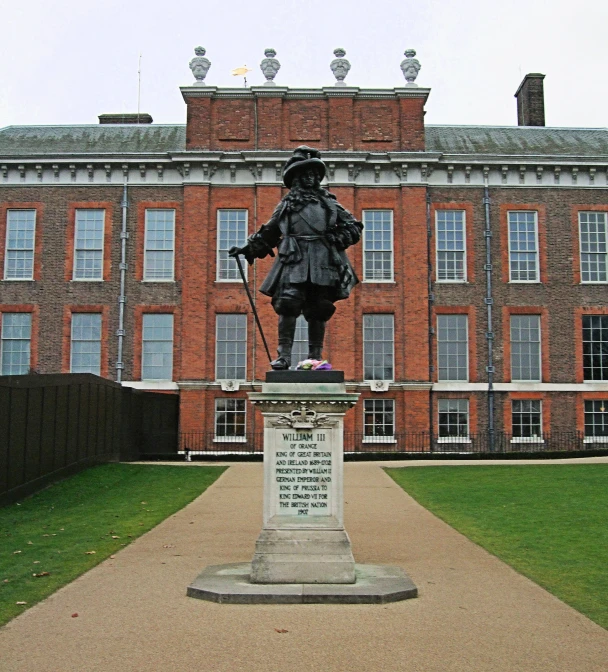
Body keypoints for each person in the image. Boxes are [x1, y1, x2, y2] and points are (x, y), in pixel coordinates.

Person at [230, 146, 363, 370]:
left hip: (322, 258)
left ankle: (314, 358)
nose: (311, 178)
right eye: (306, 174)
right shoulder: (287, 205)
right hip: (295, 256)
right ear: (297, 179)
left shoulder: (329, 203)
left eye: (314, 174)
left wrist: (337, 237)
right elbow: (270, 231)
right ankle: (284, 356)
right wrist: (247, 249)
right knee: (288, 303)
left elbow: (353, 226)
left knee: (319, 307)